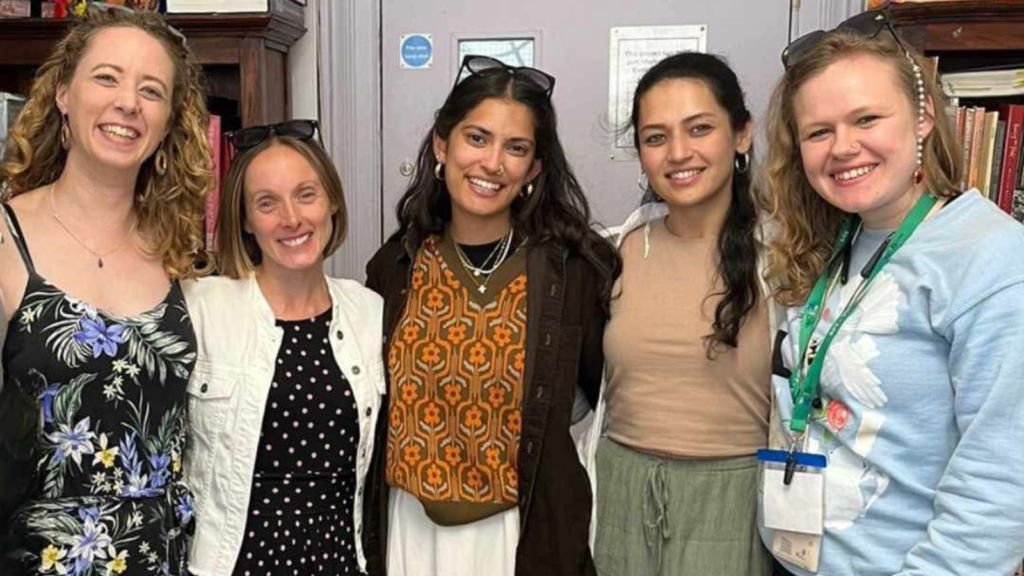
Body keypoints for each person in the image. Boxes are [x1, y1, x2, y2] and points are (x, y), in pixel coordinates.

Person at [762, 8, 1024, 576]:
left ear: (923, 116)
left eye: (867, 119)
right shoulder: (836, 241)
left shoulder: (992, 260)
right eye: (818, 131)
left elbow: (1000, 485)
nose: (843, 147)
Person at [363, 55, 620, 576]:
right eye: (476, 138)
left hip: (523, 537)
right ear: (442, 144)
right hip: (410, 537)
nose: (492, 162)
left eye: (516, 147)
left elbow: (602, 400)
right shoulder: (395, 267)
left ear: (535, 167)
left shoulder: (576, 272)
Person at [0, 5, 211, 575]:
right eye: (107, 77)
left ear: (168, 120)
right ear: (63, 93)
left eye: (151, 90)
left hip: (164, 558)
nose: (128, 103)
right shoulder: (5, 242)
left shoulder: (183, 259)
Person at [577, 52, 773, 576]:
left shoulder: (786, 261)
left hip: (735, 507)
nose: (678, 153)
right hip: (620, 499)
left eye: (700, 128)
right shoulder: (610, 254)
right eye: (656, 137)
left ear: (742, 135)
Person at [182, 121, 385, 576]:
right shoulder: (201, 308)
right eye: (267, 203)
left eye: (306, 195)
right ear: (247, 221)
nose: (291, 218)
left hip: (340, 563)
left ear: (331, 200)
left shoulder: (370, 314)